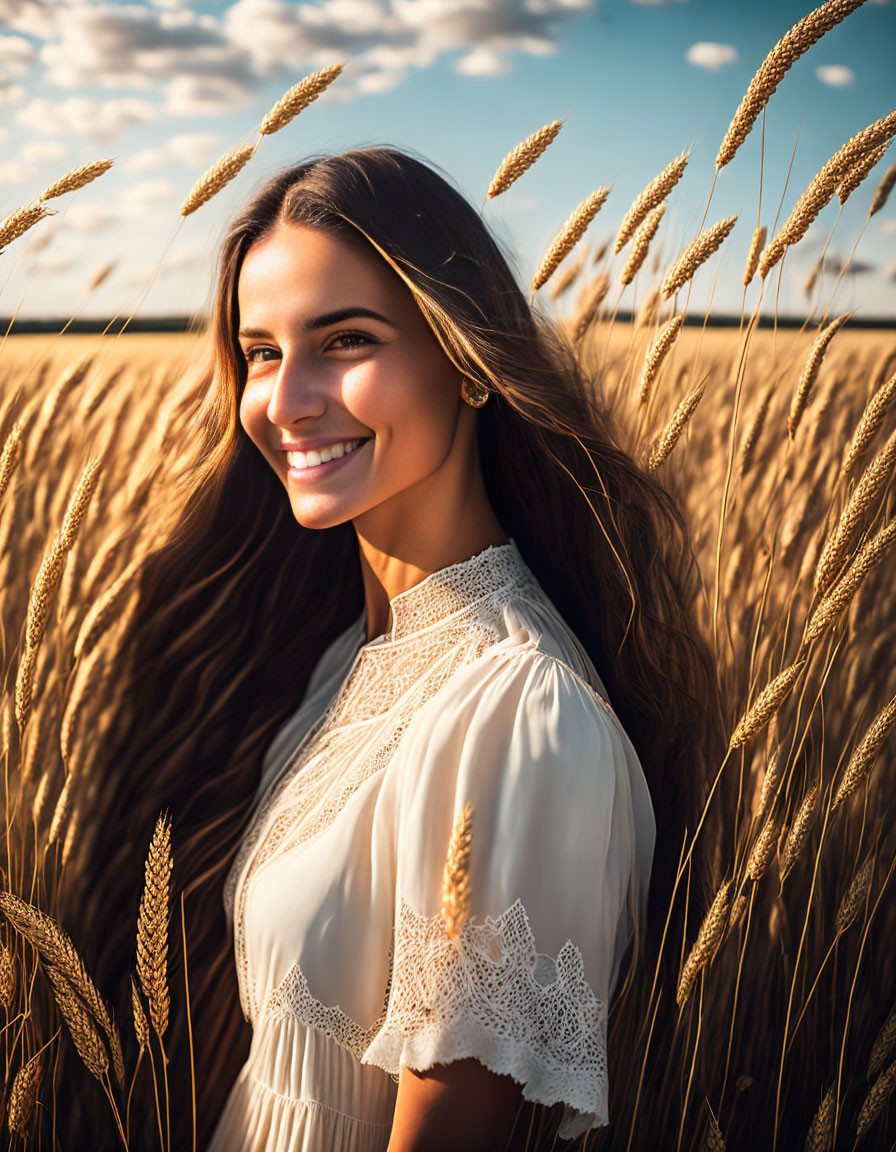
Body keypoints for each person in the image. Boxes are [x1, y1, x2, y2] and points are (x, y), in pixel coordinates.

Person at [69, 145, 723, 1150]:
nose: (285, 402)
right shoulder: (347, 660)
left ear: (464, 358)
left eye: (343, 341)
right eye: (262, 352)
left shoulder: (514, 715)